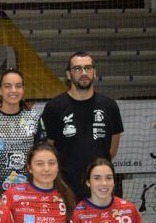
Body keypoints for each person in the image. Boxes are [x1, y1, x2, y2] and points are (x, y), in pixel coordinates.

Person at [40, 52, 123, 200]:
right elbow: (49, 149)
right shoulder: (54, 107)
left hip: (99, 186)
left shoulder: (109, 105)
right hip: (65, 187)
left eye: (88, 68)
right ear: (68, 74)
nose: (84, 73)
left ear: (94, 72)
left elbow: (112, 149)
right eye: (77, 69)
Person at [0, 70, 46, 194]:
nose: (13, 90)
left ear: (23, 89)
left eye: (18, 86)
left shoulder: (34, 118)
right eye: (8, 86)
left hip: (28, 192)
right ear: (0, 90)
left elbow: (42, 155)